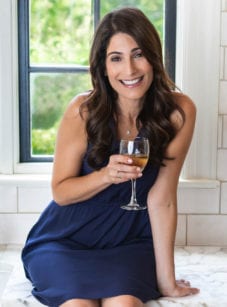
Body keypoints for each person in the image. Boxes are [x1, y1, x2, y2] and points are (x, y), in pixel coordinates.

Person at [21, 7, 199, 307]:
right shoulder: (83, 111)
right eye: (116, 58)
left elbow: (162, 198)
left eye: (138, 54)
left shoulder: (178, 112)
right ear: (103, 67)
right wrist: (105, 175)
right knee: (78, 305)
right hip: (65, 241)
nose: (129, 70)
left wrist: (167, 282)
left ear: (154, 57)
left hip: (129, 242)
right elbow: (61, 193)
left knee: (125, 303)